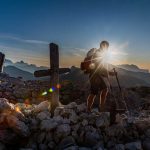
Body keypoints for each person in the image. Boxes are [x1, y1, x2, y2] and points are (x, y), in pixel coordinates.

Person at [86, 41, 116, 112]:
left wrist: (109, 73)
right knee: (93, 93)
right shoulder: (97, 54)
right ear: (102, 46)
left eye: (107, 46)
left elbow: (100, 67)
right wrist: (109, 73)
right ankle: (88, 109)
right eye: (105, 46)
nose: (106, 48)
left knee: (105, 89)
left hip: (97, 76)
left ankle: (101, 107)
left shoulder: (101, 54)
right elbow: (98, 67)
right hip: (94, 76)